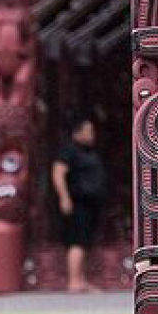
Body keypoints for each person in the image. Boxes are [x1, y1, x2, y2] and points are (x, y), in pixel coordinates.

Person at [50, 117, 108, 293]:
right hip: (77, 203)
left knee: (84, 241)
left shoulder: (89, 152)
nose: (92, 134)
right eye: (88, 130)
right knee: (77, 240)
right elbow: (58, 173)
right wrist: (64, 197)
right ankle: (74, 281)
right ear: (78, 132)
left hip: (91, 203)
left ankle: (81, 279)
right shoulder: (69, 151)